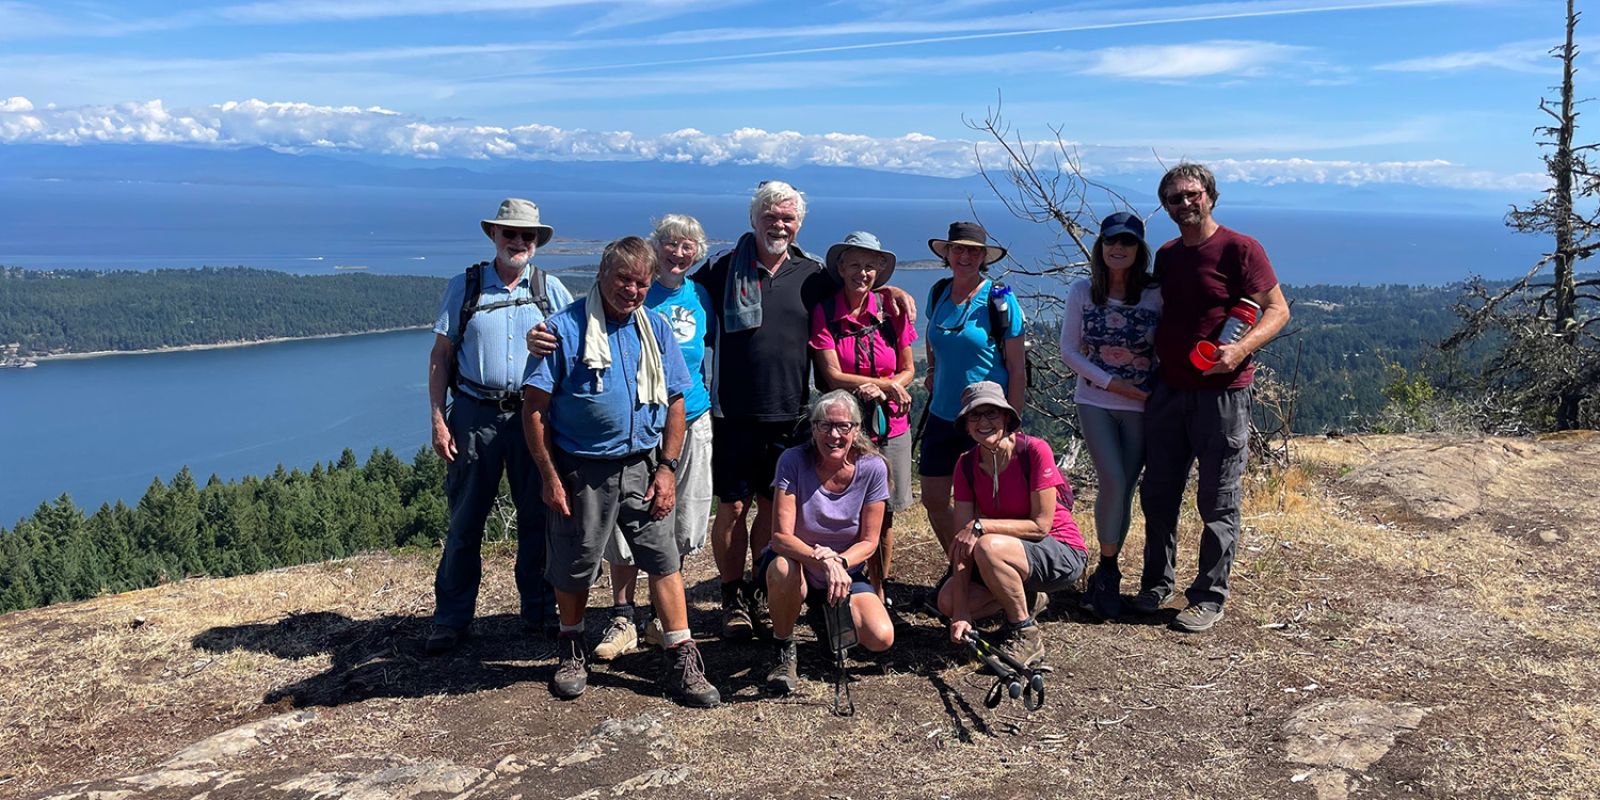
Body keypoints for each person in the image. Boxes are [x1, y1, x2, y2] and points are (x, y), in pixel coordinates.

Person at [692, 181, 914, 640]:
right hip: (732, 412)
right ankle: (734, 594)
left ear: (799, 224)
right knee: (733, 508)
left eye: (787, 218)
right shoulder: (718, 270)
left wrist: (893, 292)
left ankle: (763, 588)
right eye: (770, 216)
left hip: (791, 413)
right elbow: (675, 299)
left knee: (775, 511)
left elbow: (859, 286)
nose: (779, 224)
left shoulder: (813, 274)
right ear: (753, 219)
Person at [522, 236, 720, 707]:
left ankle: (680, 655)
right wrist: (549, 476)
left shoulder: (655, 328)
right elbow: (534, 408)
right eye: (622, 279)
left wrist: (667, 468)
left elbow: (676, 399)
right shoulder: (563, 329)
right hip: (580, 469)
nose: (631, 290)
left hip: (644, 464)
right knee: (574, 563)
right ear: (601, 275)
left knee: (663, 558)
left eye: (640, 282)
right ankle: (572, 647)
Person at [1133, 163, 1290, 633]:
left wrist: (1240, 349)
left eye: (1192, 195)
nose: (1184, 204)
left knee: (1217, 497)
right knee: (1158, 492)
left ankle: (1208, 595)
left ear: (1211, 196)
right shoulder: (1167, 254)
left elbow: (1278, 309)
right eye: (1174, 199)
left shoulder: (1241, 249)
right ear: (1166, 207)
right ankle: (1156, 584)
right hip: (1169, 389)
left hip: (1221, 394)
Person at [424, 197, 574, 655]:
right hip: (474, 415)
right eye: (510, 233)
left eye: (527, 235)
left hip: (533, 417)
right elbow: (440, 357)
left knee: (539, 517)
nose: (518, 242)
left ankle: (541, 611)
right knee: (466, 520)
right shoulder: (465, 287)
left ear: (536, 241)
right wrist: (437, 419)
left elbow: (577, 352)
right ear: (494, 235)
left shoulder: (553, 291)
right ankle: (451, 619)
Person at [592, 215, 718, 661]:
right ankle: (622, 615)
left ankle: (661, 616)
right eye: (670, 244)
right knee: (627, 523)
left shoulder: (702, 295)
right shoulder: (636, 290)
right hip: (641, 427)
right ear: (655, 248)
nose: (678, 253)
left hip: (693, 420)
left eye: (688, 246)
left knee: (682, 521)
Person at [1057, 211, 1162, 620]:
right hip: (1096, 401)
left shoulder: (1155, 293)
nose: (1118, 248)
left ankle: (1108, 567)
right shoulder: (1084, 291)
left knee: (1126, 488)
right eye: (1111, 241)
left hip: (1142, 405)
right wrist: (1113, 384)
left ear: (1139, 249)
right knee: (1113, 481)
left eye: (1128, 242)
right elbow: (1070, 351)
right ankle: (1107, 571)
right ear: (1101, 247)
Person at [938, 381, 1086, 666]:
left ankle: (1024, 632)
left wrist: (982, 526)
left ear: (1006, 417)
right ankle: (1027, 598)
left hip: (1059, 550)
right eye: (975, 416)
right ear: (966, 425)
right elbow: (962, 540)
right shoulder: (966, 465)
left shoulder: (1033, 451)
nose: (984, 422)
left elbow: (1041, 526)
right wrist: (960, 613)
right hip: (1007, 554)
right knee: (948, 600)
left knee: (988, 546)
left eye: (991, 413)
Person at [760, 390, 895, 695]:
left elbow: (870, 541)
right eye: (825, 425)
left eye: (843, 427)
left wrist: (840, 562)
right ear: (813, 428)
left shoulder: (873, 468)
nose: (834, 434)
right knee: (782, 570)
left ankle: (824, 617)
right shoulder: (792, 460)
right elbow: (780, 538)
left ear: (856, 430)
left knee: (880, 637)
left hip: (845, 570)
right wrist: (823, 559)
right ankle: (784, 647)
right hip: (798, 562)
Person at [808, 231, 916, 598]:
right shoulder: (825, 311)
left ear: (881, 271)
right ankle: (839, 582)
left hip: (891, 425)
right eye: (854, 264)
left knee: (883, 512)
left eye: (871, 266)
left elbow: (908, 368)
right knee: (844, 506)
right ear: (840, 267)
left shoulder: (891, 310)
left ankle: (878, 590)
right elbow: (832, 375)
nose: (863, 273)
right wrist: (880, 385)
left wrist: (885, 387)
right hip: (843, 429)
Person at [919, 222, 1026, 554]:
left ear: (983, 257)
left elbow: (1016, 368)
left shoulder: (1000, 299)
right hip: (941, 414)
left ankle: (985, 574)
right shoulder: (939, 292)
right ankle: (961, 566)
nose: (964, 256)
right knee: (934, 499)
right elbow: (932, 334)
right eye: (958, 249)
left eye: (973, 251)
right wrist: (934, 368)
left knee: (982, 508)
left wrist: (1011, 426)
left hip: (985, 419)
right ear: (947, 253)